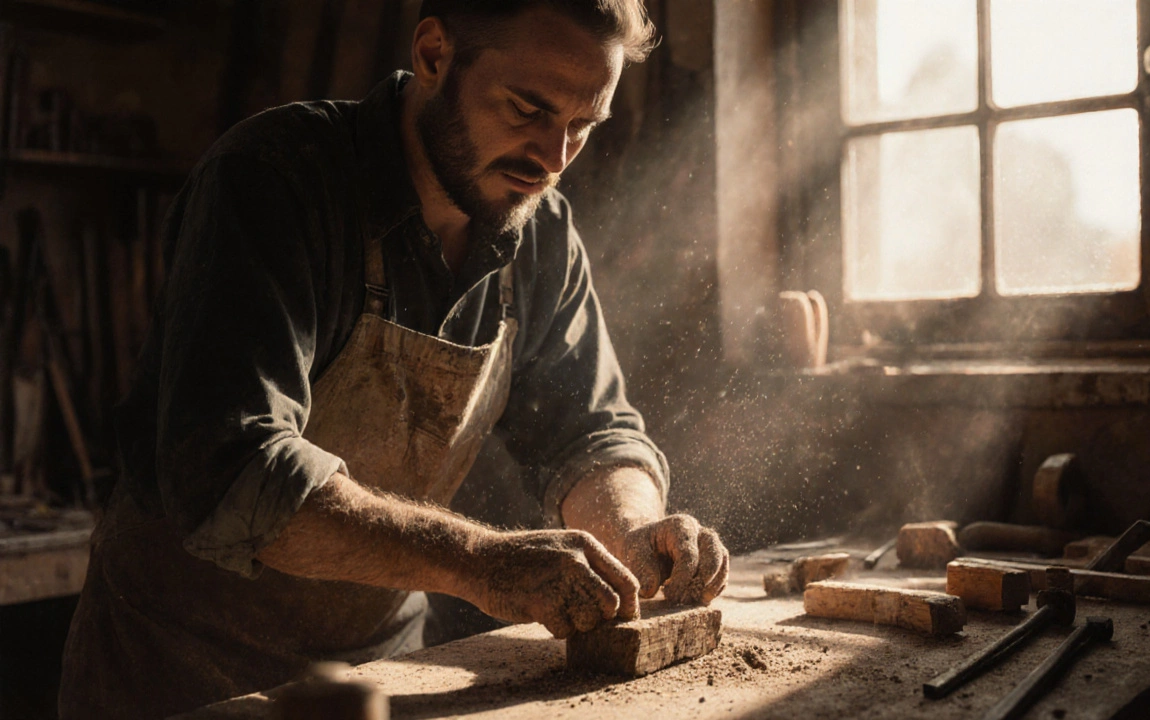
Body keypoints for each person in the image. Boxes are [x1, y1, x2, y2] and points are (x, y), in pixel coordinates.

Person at [59, 2, 729, 717]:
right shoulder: (275, 179)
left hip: (384, 674)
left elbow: (590, 433)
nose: (552, 157)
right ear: (436, 54)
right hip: (179, 670)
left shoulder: (541, 236)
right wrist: (484, 565)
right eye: (527, 109)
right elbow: (235, 470)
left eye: (582, 126)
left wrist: (628, 529)